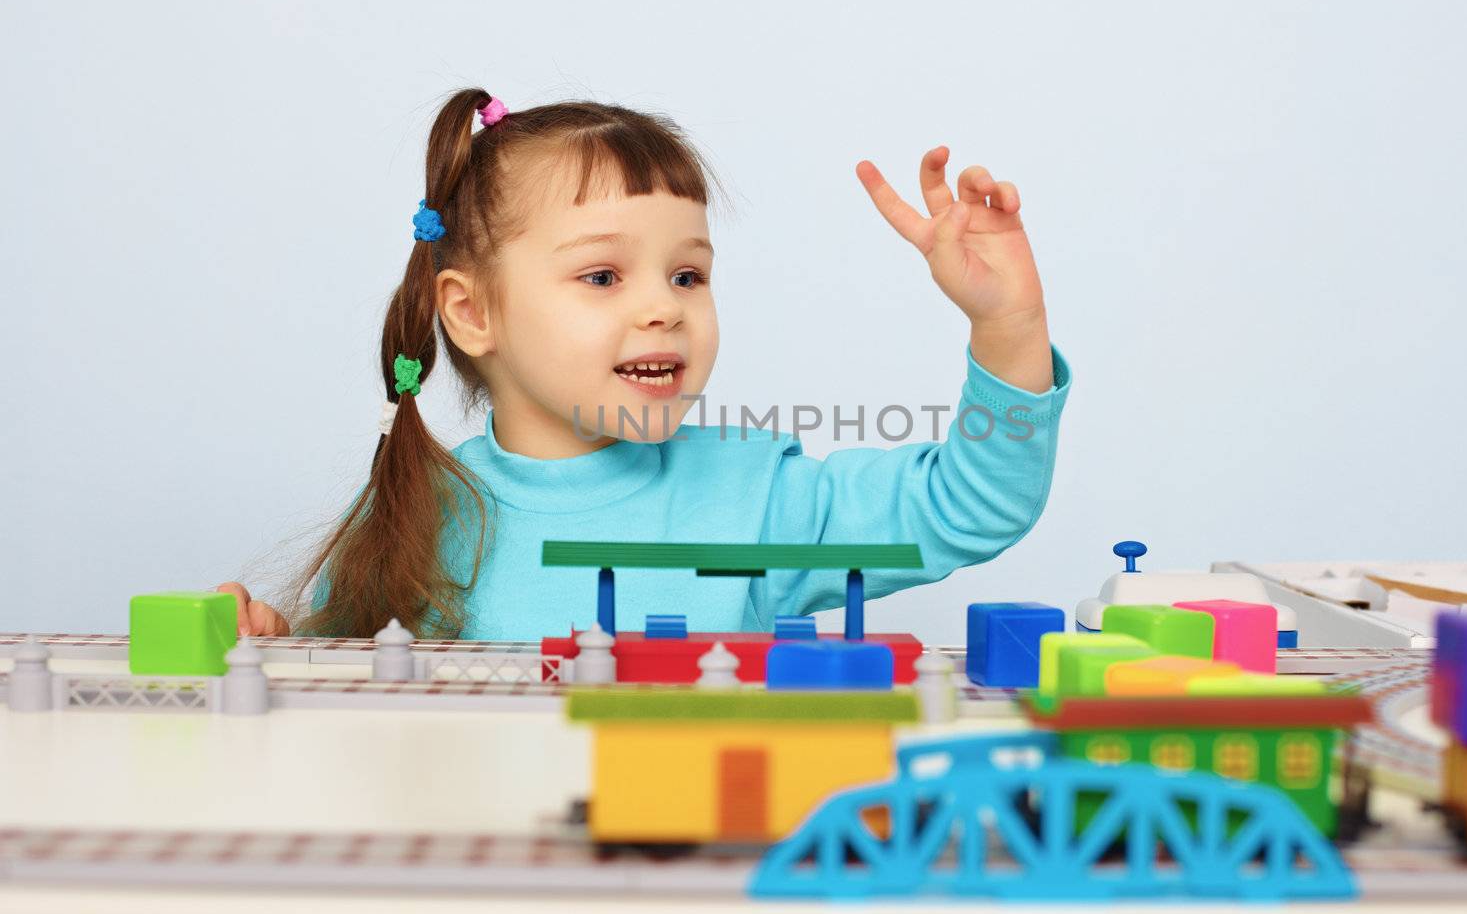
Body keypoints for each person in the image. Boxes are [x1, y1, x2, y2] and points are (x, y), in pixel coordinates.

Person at [220, 89, 1071, 641]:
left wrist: (1009, 324)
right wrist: (273, 648)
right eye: (602, 276)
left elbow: (973, 504)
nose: (663, 308)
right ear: (473, 313)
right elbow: (344, 703)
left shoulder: (760, 502)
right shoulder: (412, 512)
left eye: (688, 274)